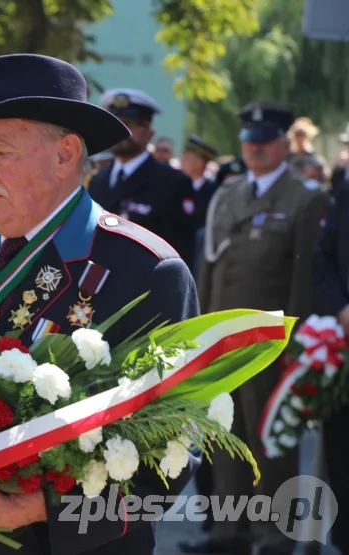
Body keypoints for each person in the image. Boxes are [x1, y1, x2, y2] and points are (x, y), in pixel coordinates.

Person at [0, 52, 201, 555]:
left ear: (66, 154)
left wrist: (45, 506)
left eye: (1, 153)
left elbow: (176, 451)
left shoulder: (145, 270)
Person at [180, 101, 330, 555]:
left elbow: (304, 281)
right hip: (224, 342)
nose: (257, 148)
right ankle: (231, 533)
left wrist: (295, 348)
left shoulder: (305, 199)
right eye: (250, 140)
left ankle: (275, 537)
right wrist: (199, 334)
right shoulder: (227, 195)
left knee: (270, 445)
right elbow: (209, 269)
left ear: (285, 144)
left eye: (266, 141)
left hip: (270, 346)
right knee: (226, 440)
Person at [87, 89, 196, 263]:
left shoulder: (172, 182)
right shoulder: (97, 180)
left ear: (149, 132)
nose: (121, 132)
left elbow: (179, 254)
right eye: (115, 124)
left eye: (129, 124)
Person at [312, 177, 349, 555]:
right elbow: (323, 258)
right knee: (341, 451)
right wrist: (340, 307)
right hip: (344, 339)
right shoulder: (347, 189)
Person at [180, 135, 220, 279]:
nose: (182, 160)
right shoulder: (176, 185)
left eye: (188, 157)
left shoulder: (214, 193)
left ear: (200, 162)